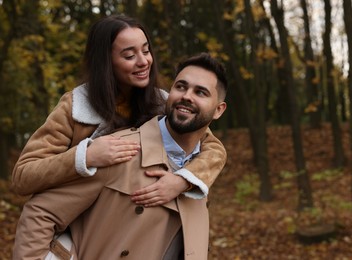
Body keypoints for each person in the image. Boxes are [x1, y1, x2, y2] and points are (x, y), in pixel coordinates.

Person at [13, 52, 228, 260]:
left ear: (218, 110)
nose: (187, 96)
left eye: (201, 92)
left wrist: (184, 180)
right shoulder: (116, 151)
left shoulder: (198, 171)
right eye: (181, 86)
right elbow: (39, 212)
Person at [11, 15, 226, 204]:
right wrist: (84, 156)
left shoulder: (165, 102)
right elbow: (23, 177)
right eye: (129, 55)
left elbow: (213, 148)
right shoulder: (75, 107)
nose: (144, 62)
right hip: (81, 229)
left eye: (146, 50)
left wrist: (182, 181)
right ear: (106, 61)